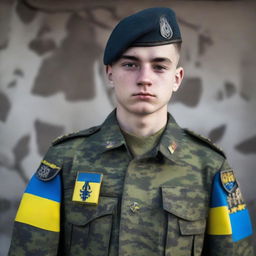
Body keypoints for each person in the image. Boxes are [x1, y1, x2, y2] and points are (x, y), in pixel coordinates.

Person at [8, 7, 254, 256]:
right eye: (130, 64)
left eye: (159, 67)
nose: (144, 78)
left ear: (177, 78)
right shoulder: (64, 160)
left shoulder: (210, 166)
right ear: (110, 73)